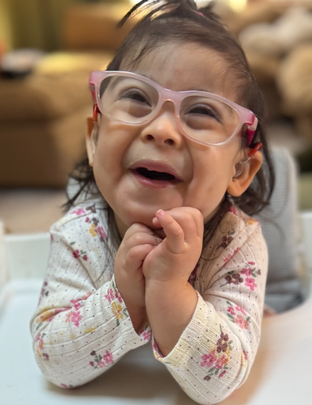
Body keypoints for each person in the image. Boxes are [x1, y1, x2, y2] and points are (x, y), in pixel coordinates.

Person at [30, 0, 274, 402]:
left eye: (201, 111)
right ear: (94, 139)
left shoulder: (236, 243)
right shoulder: (80, 236)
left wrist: (168, 290)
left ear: (239, 171)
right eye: (138, 98)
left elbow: (218, 386)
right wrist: (123, 296)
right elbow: (53, 362)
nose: (161, 130)